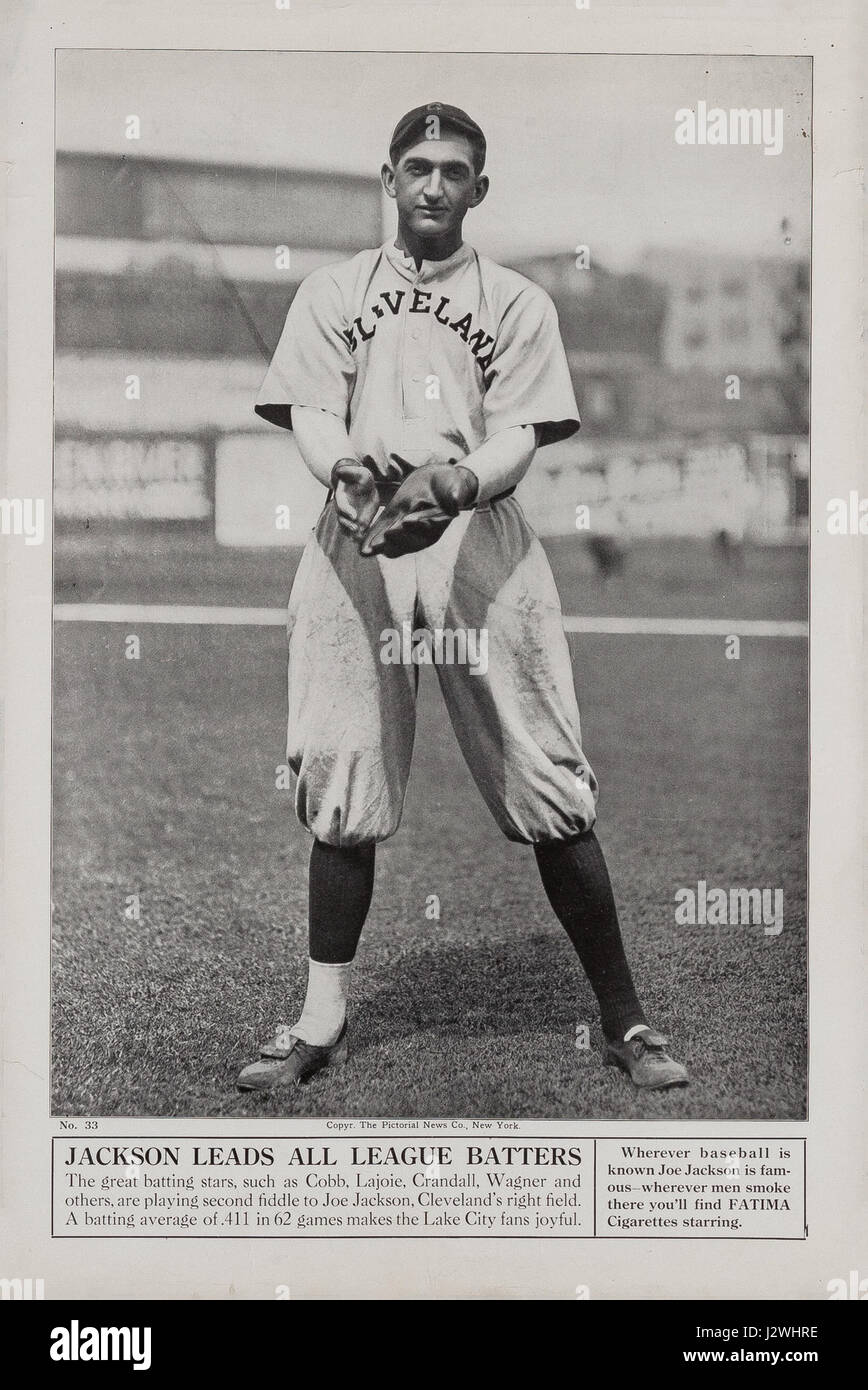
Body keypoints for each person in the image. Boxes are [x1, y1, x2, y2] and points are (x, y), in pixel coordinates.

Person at [238, 103, 687, 1095]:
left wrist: (453, 485)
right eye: (416, 166)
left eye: (453, 169)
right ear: (388, 179)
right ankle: (319, 1018)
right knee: (341, 777)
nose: (433, 184)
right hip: (354, 540)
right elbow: (312, 412)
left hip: (479, 539)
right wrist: (349, 468)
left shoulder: (519, 302)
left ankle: (626, 1019)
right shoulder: (331, 290)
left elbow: (521, 434)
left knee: (550, 781)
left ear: (478, 189)